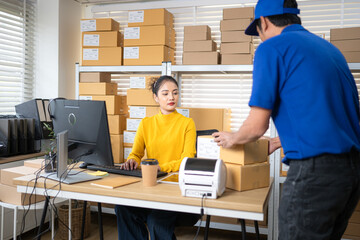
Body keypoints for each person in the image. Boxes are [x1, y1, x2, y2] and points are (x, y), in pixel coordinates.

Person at [213, 0, 360, 239]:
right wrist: (279, 141)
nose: (260, 38)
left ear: (264, 22)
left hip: (314, 174)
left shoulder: (272, 48)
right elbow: (330, 117)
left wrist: (233, 138)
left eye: (258, 32)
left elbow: (256, 126)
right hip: (350, 174)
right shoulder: (330, 50)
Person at [115, 75, 197, 240]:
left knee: (156, 221)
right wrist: (132, 160)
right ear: (156, 97)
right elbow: (136, 153)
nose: (171, 97)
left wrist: (160, 167)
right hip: (150, 186)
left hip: (174, 188)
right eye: (165, 93)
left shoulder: (187, 123)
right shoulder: (146, 123)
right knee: (123, 207)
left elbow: (187, 159)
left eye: (175, 93)